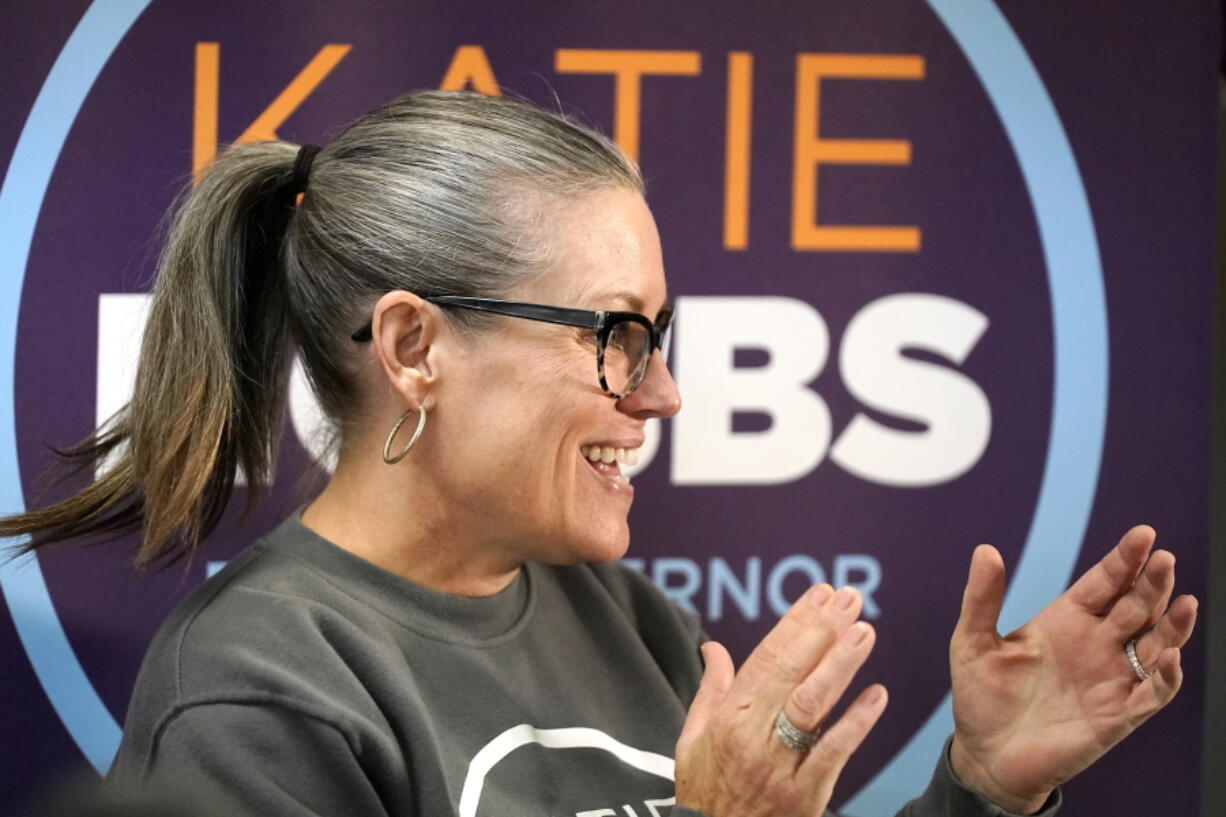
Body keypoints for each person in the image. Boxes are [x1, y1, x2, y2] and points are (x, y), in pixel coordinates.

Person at [0, 89, 1197, 817]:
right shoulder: (261, 691)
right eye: (617, 336)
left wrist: (981, 789)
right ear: (414, 346)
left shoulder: (628, 620)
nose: (663, 393)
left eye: (659, 339)